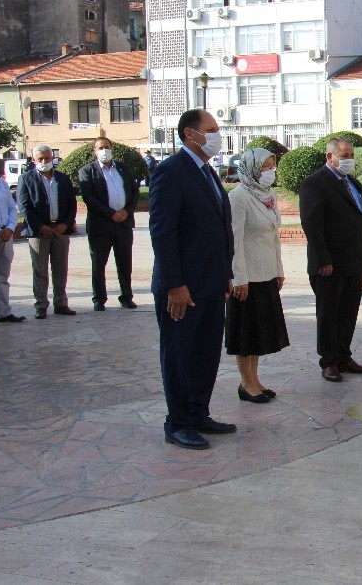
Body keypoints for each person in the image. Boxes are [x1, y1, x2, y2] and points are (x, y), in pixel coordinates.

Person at [149, 109, 235, 450]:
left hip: (212, 284)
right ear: (190, 134)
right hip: (182, 287)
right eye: (211, 129)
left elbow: (219, 229)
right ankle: (178, 422)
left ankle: (199, 412)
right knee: (180, 355)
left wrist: (227, 274)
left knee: (206, 354)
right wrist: (175, 284)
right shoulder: (171, 172)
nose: (217, 135)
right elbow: (162, 232)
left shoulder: (208, 172)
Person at [300, 137, 362, 383]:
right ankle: (329, 361)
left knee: (348, 312)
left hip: (354, 260)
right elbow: (312, 225)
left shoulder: (353, 183)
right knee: (328, 314)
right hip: (329, 264)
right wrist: (323, 259)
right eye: (344, 155)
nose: (349, 159)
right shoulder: (315, 183)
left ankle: (344, 356)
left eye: (351, 154)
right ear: (330, 157)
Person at [226, 148, 289, 403]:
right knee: (245, 332)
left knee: (259, 331)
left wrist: (279, 270)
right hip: (247, 276)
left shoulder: (268, 195)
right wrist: (238, 277)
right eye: (264, 167)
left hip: (266, 273)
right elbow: (235, 240)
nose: (269, 172)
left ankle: (255, 379)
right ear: (252, 168)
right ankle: (245, 383)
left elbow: (274, 236)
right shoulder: (239, 196)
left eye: (272, 166)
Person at [17, 144, 78, 319]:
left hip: (60, 230)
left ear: (53, 159)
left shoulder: (62, 179)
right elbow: (24, 206)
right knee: (40, 270)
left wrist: (65, 224)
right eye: (40, 159)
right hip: (38, 232)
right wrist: (40, 226)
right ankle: (41, 305)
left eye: (47, 158)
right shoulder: (26, 179)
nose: (44, 162)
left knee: (60, 268)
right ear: (33, 160)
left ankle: (61, 303)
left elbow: (72, 204)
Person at [78, 138, 139, 311]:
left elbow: (134, 192)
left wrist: (126, 211)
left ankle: (126, 296)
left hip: (124, 224)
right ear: (94, 151)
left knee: (125, 262)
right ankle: (99, 298)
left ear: (112, 149)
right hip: (101, 225)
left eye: (107, 147)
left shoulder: (123, 168)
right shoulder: (87, 171)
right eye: (100, 148)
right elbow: (89, 198)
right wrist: (111, 214)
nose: (104, 150)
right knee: (99, 263)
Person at [0, 154, 25, 327]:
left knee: (2, 276)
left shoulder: (0, 182)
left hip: (6, 235)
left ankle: (4, 312)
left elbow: (12, 207)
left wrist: (10, 228)